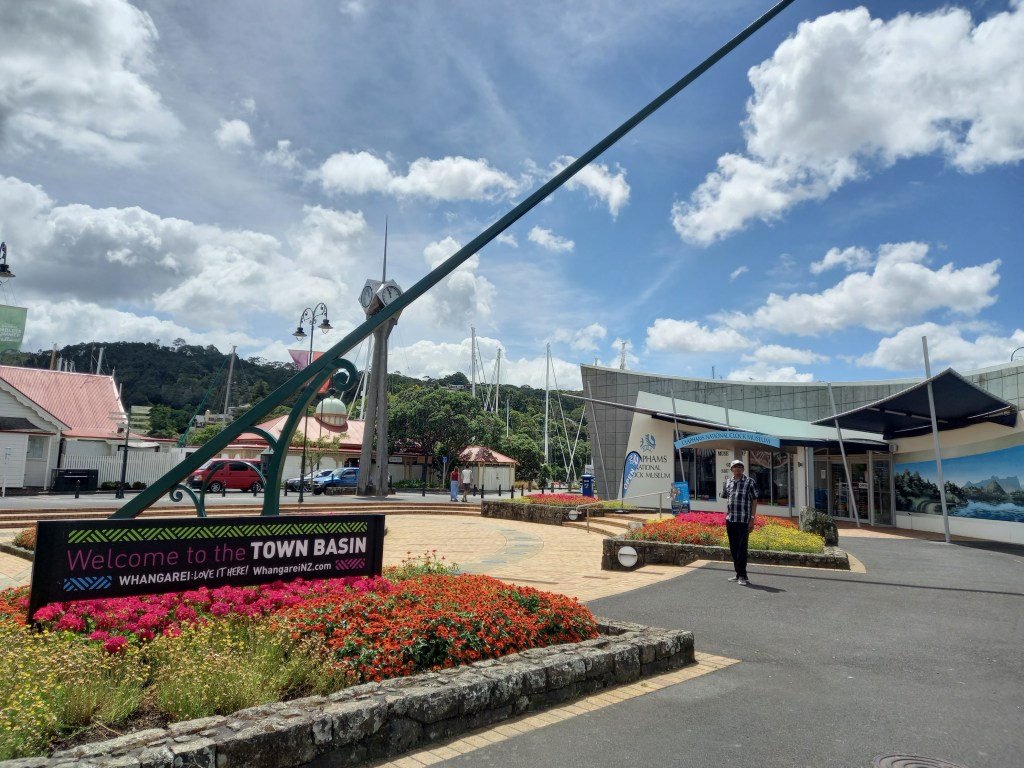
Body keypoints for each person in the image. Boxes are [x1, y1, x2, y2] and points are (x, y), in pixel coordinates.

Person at [721, 458, 758, 585]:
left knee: (742, 548)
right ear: (731, 469)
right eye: (735, 467)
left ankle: (741, 575)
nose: (738, 469)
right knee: (734, 548)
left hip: (743, 520)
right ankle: (740, 574)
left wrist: (752, 519)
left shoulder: (749, 482)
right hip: (730, 519)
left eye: (740, 467)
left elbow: (754, 500)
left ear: (743, 469)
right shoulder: (727, 482)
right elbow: (726, 496)